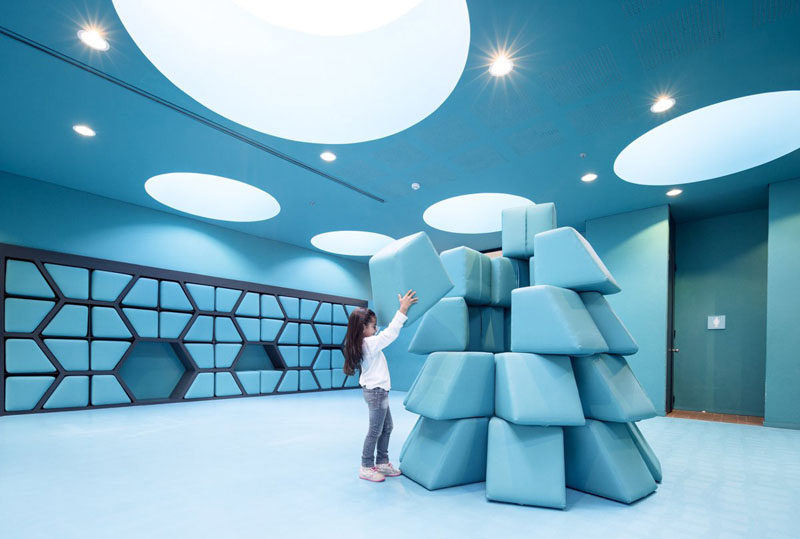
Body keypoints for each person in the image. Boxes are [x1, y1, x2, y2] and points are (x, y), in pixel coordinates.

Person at [342, 289, 418, 482]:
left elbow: (384, 334)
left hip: (378, 392)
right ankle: (366, 466)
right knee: (375, 430)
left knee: (387, 427)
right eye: (373, 326)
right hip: (376, 393)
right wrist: (402, 310)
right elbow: (390, 333)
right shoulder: (368, 344)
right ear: (363, 328)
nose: (376, 329)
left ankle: (382, 462)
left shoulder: (365, 343)